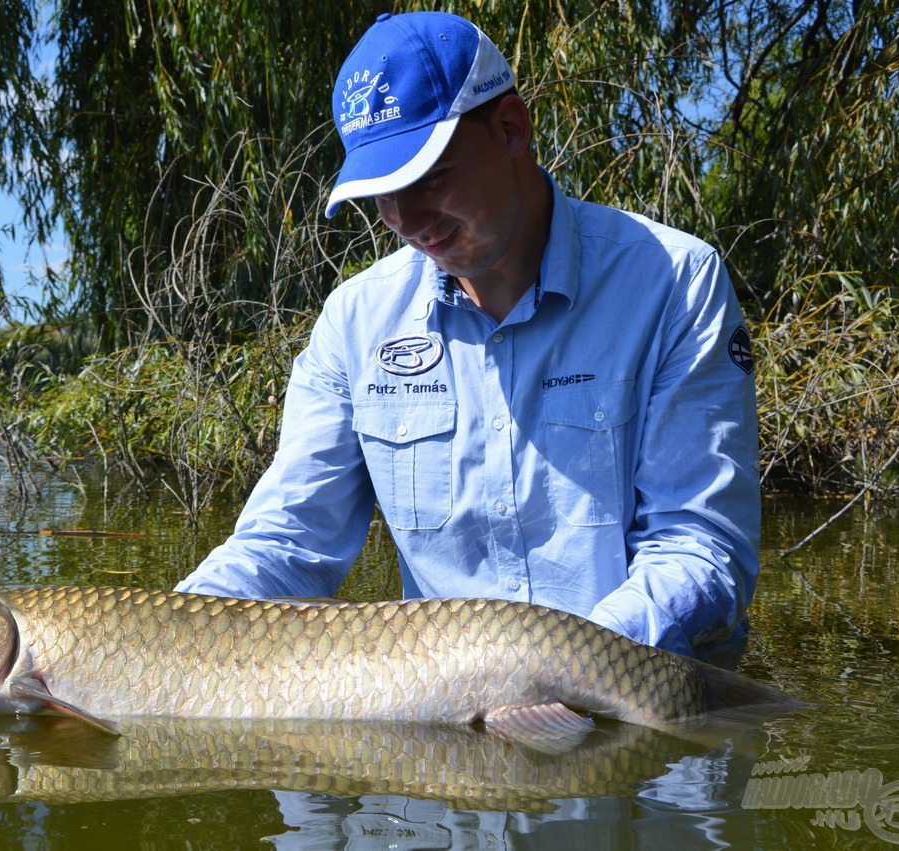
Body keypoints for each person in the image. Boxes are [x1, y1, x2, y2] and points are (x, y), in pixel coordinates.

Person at [175, 11, 760, 660]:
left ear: (511, 127)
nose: (406, 219)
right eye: (382, 193)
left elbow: (700, 548)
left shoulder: (675, 283)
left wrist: (556, 665)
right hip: (445, 723)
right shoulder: (354, 322)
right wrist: (161, 640)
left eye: (429, 177)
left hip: (632, 705)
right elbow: (285, 545)